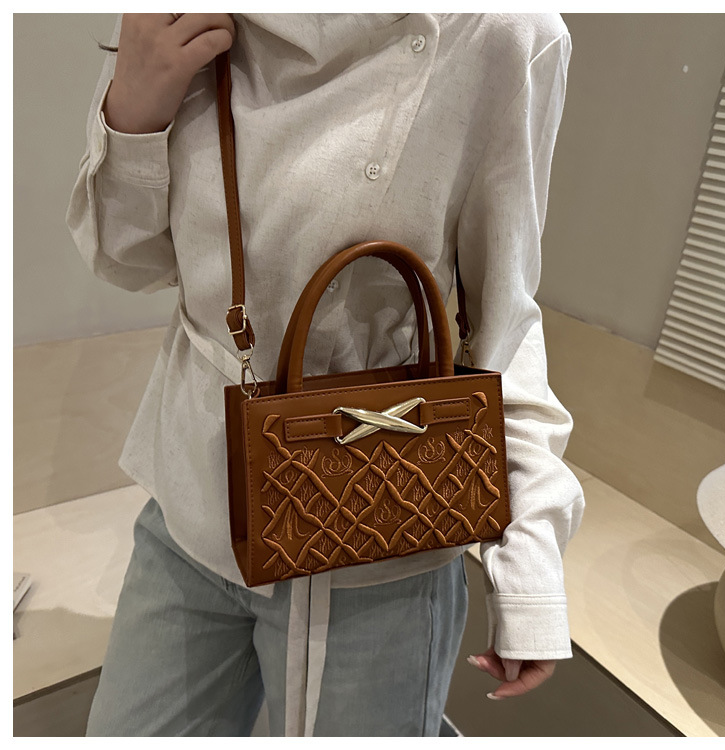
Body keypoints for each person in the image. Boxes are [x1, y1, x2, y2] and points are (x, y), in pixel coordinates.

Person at [66, 13, 585, 737]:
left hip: (381, 535)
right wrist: (134, 109)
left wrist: (528, 567)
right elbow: (126, 259)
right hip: (193, 504)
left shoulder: (499, 33)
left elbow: (503, 321)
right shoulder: (183, 17)